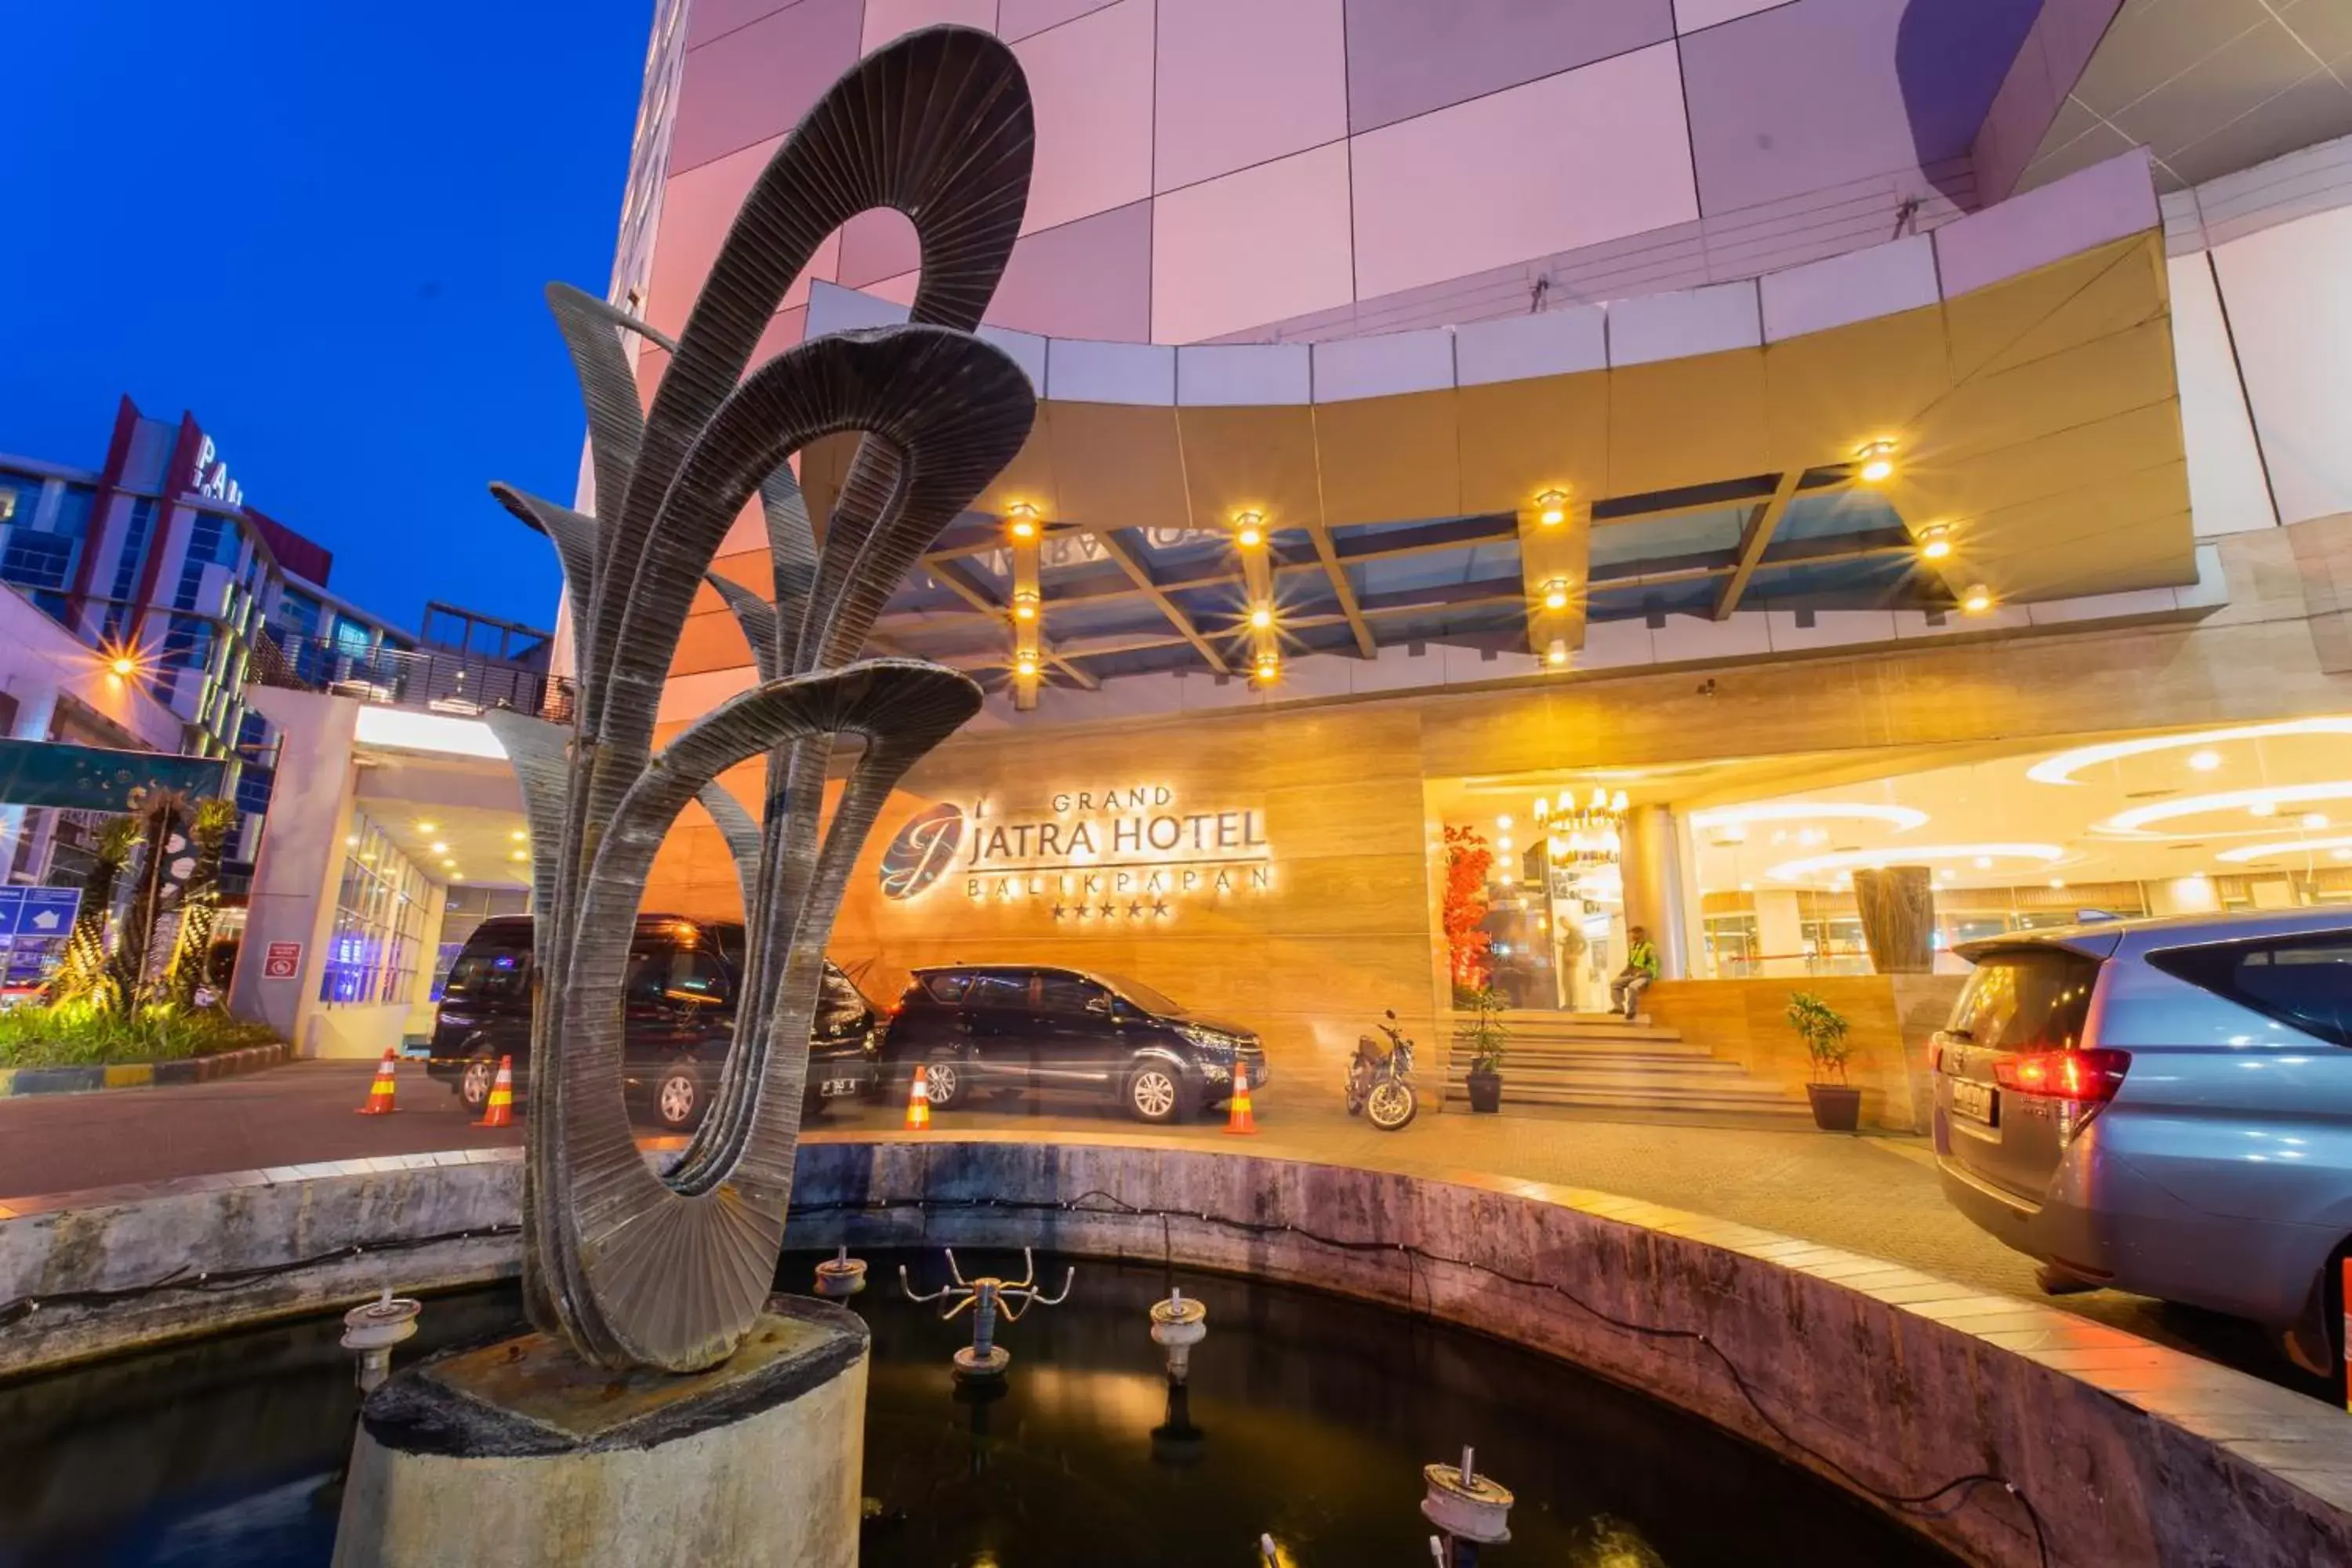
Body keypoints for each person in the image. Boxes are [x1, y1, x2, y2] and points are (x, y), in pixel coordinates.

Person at [1610, 926, 1660, 1020]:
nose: (1633, 936)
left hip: (1645, 977)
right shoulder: (1633, 947)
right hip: (1633, 975)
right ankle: (1619, 1008)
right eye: (1632, 934)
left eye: (1635, 934)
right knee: (1614, 984)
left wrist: (1644, 973)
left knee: (1632, 986)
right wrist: (1621, 975)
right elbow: (1630, 965)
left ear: (1641, 934)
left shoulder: (1649, 948)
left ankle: (1631, 1010)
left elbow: (1655, 966)